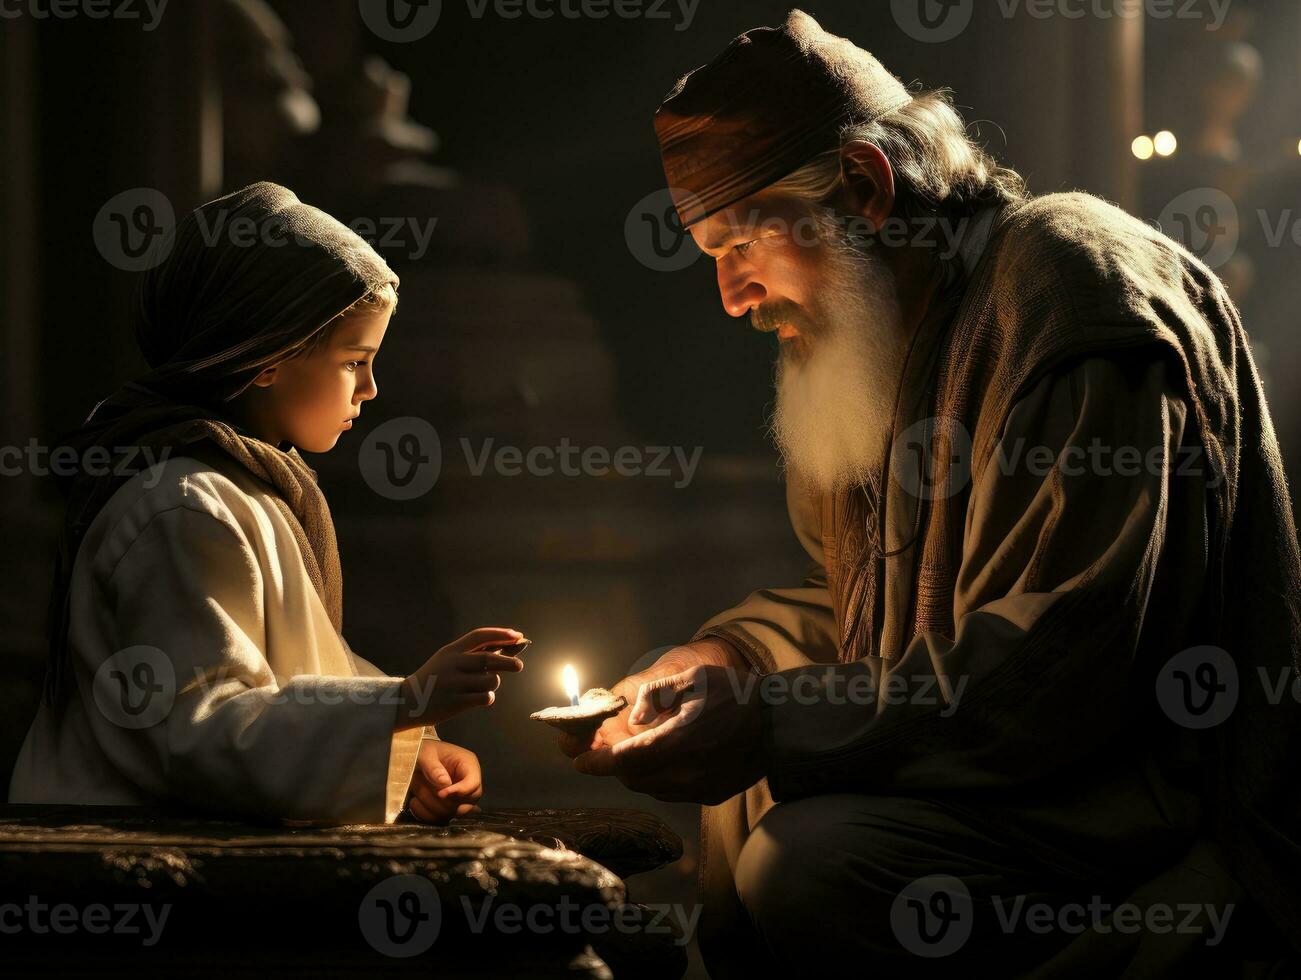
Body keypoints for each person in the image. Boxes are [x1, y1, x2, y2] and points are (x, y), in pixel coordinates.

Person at [558, 10, 1301, 975]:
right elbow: (887, 620)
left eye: (740, 246)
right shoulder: (892, 333)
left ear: (864, 187)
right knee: (746, 782)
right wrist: (727, 660)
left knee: (810, 863)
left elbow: (1062, 664)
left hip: (1141, 823)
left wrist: (776, 718)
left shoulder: (1069, 288)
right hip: (1007, 788)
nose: (732, 297)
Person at [9, 182, 526, 827]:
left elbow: (285, 672)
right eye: (354, 361)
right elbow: (200, 732)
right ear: (268, 358)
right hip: (131, 870)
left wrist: (407, 748)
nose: (370, 388)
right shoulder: (181, 508)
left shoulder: (241, 489)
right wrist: (404, 703)